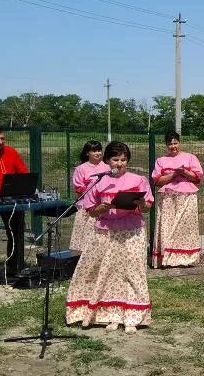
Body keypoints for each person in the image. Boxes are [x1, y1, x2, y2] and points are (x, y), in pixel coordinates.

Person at [65, 141, 154, 333]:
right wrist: (102, 208)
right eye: (115, 160)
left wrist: (140, 203)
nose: (120, 164)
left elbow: (147, 207)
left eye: (124, 160)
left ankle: (132, 315)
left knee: (132, 271)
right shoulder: (98, 181)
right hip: (105, 230)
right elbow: (91, 212)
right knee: (108, 271)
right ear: (107, 161)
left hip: (132, 231)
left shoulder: (139, 180)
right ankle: (110, 314)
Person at [0, 126, 29, 284]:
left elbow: (22, 171)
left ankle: (13, 268)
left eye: (2, 139)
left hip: (10, 199)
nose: (0, 142)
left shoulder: (11, 152)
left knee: (16, 233)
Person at [151, 131, 203, 268]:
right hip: (168, 195)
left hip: (187, 195)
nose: (173, 146)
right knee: (167, 224)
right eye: (170, 144)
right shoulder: (161, 160)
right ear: (166, 145)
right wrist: (174, 174)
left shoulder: (190, 157)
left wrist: (184, 172)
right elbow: (157, 180)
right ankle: (167, 257)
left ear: (180, 142)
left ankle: (185, 258)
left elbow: (197, 177)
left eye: (175, 143)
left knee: (185, 225)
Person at [69, 140, 109, 253]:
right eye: (94, 151)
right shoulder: (81, 169)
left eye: (99, 150)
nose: (97, 153)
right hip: (86, 206)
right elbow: (78, 188)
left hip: (102, 206)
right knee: (83, 234)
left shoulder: (107, 168)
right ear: (87, 153)